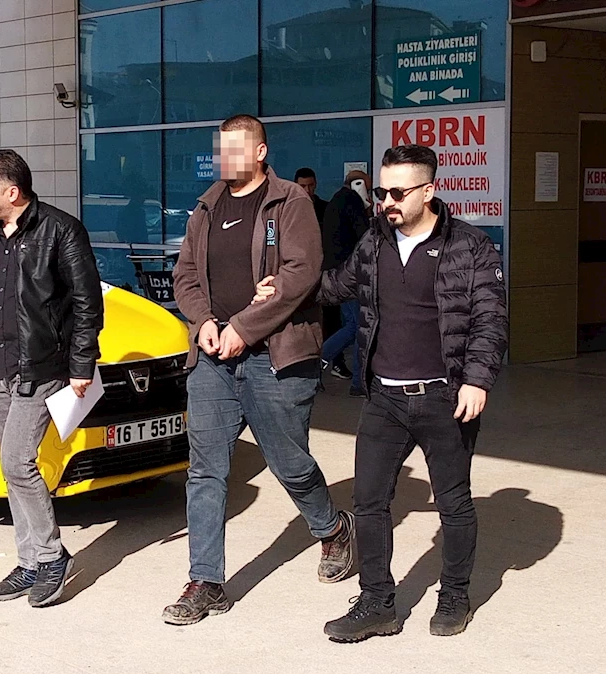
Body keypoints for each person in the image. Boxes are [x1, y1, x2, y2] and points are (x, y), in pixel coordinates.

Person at [254, 144, 508, 641]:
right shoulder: (375, 240)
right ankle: (376, 603)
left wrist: (477, 380)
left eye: (397, 192)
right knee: (368, 501)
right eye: (380, 192)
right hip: (384, 399)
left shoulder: (470, 246)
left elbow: (490, 320)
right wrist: (283, 290)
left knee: (454, 503)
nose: (386, 201)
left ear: (428, 191)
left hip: (444, 398)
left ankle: (454, 596)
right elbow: (335, 286)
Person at [165, 115, 355, 626]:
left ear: (260, 152)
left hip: (275, 358)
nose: (222, 159)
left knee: (288, 463)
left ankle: (333, 528)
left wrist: (243, 328)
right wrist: (204, 321)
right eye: (219, 150)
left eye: (233, 149)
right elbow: (185, 274)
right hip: (212, 359)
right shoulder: (206, 207)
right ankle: (206, 582)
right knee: (205, 470)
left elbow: (301, 273)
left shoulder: (290, 202)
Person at [0, 150, 104, 608]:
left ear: (12, 192)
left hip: (42, 367)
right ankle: (29, 561)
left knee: (16, 463)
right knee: (10, 470)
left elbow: (87, 303)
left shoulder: (61, 230)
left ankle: (51, 557)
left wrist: (81, 364)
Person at [320, 171, 372, 394]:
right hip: (350, 274)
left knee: (354, 324)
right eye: (367, 188)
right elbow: (366, 236)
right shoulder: (352, 200)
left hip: (336, 274)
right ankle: (358, 382)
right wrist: (367, 209)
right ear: (359, 185)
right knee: (358, 326)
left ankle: (357, 381)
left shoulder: (336, 200)